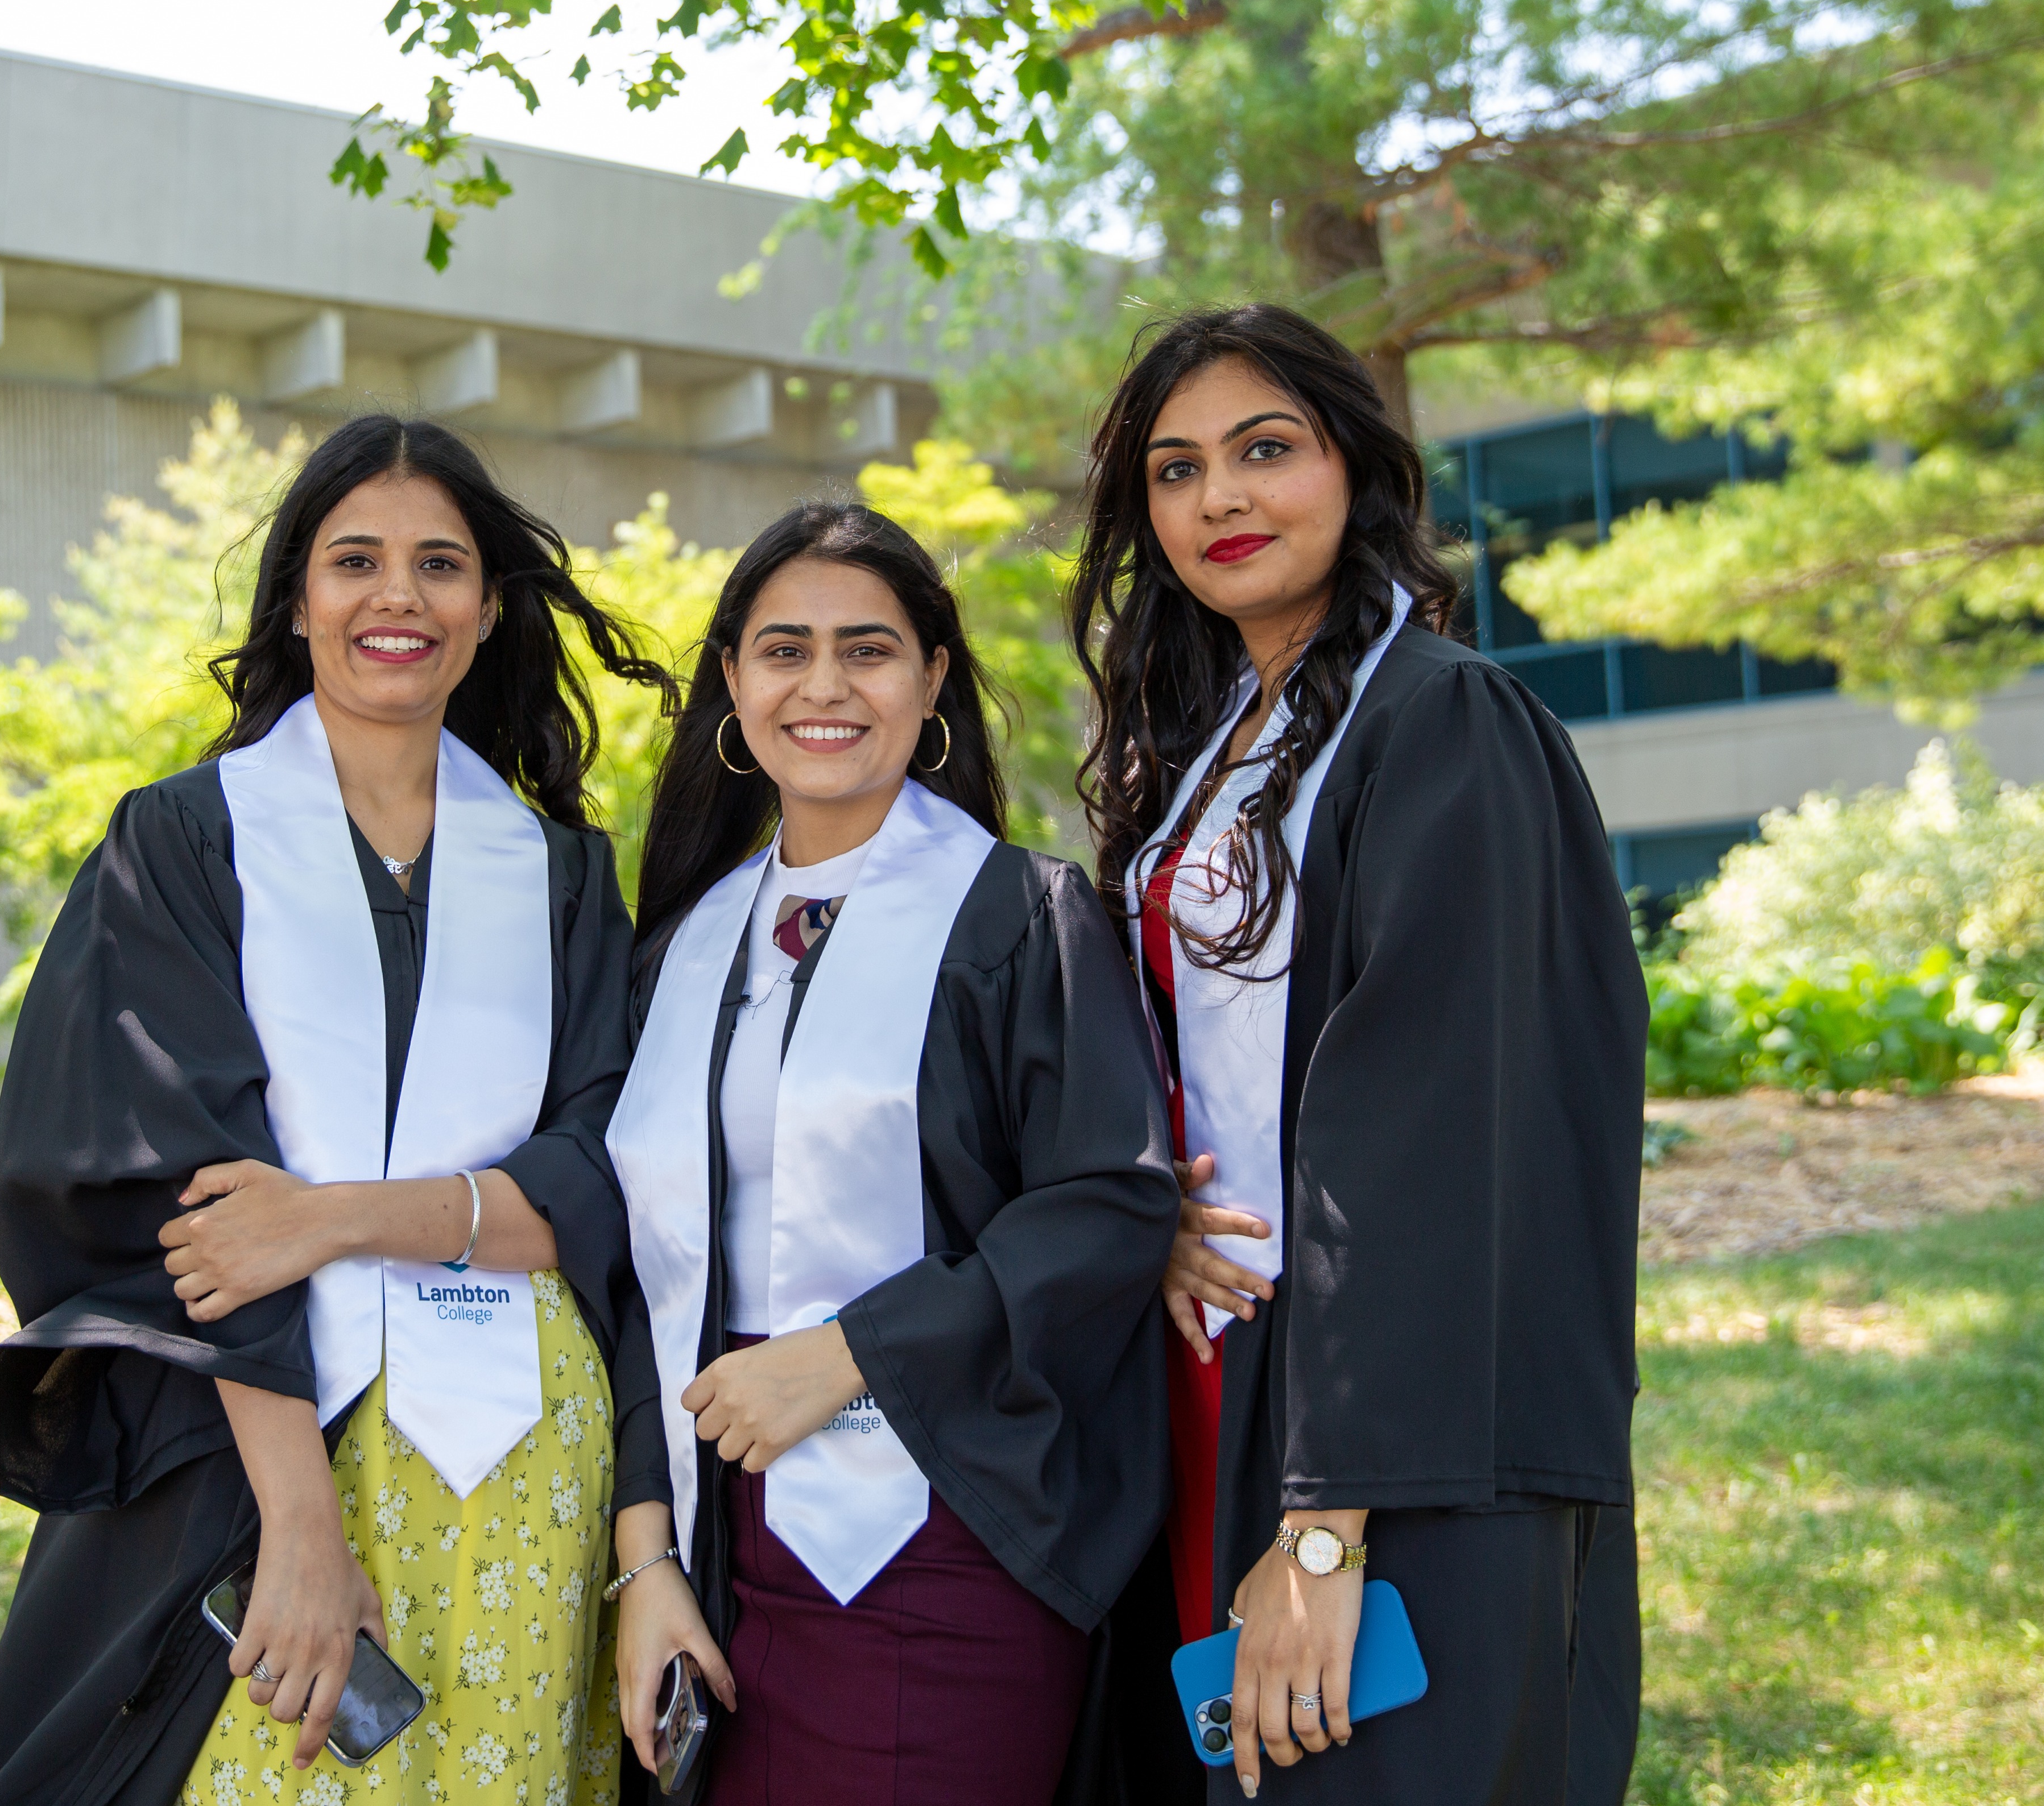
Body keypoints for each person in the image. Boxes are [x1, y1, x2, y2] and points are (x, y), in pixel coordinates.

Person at [0, 414, 675, 1806]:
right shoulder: (185, 842)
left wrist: (331, 1220)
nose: (396, 596)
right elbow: (183, 1202)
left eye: (439, 565)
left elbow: (594, 1183)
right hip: (256, 1457)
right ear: (298, 597)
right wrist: (300, 1528)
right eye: (356, 560)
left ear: (484, 613)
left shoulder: (562, 876)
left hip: (521, 1463)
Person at [1070, 305, 1648, 1804]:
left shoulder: (1446, 724)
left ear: (1357, 466)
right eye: (1176, 470)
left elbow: (1438, 1133)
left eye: (1266, 450)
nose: (1221, 501)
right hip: (1218, 1383)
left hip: (1392, 1421)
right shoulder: (1211, 743)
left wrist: (1327, 1524)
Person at [592, 503, 1179, 1804]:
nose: (823, 685)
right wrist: (648, 1559)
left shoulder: (1024, 917)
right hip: (711, 1526)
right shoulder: (684, 952)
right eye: (782, 649)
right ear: (732, 685)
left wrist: (848, 1353)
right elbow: (635, 1271)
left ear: (932, 686)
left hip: (945, 1521)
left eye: (868, 649)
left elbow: (1104, 1208)